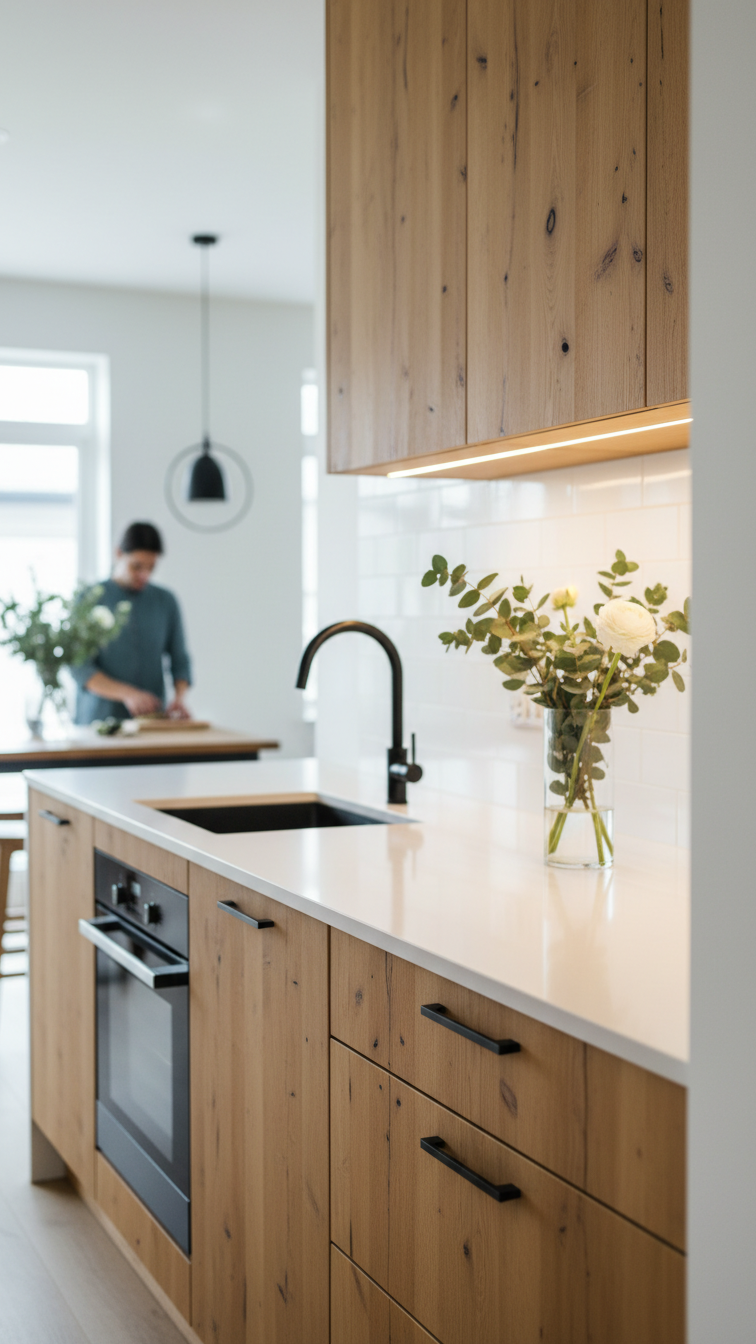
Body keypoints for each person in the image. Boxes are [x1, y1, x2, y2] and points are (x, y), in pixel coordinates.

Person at [72, 521, 193, 724]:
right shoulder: (90, 598)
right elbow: (80, 666)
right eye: (137, 566)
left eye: (151, 568)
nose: (144, 575)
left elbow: (180, 661)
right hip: (99, 722)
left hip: (151, 723)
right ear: (118, 554)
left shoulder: (165, 601)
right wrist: (128, 694)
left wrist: (179, 698)